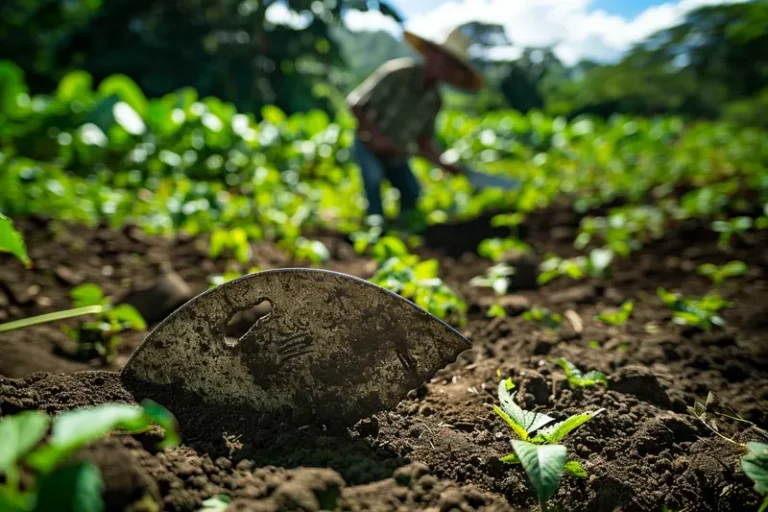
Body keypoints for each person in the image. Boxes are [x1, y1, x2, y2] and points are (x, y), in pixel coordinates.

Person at [346, 26, 484, 230]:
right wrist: (375, 137)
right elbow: (356, 103)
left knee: (412, 191)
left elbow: (423, 141)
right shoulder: (398, 73)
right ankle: (374, 230)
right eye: (444, 60)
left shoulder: (435, 100)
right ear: (431, 54)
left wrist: (444, 163)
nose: (446, 68)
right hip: (368, 146)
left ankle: (404, 231)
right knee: (373, 179)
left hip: (396, 154)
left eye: (452, 65)